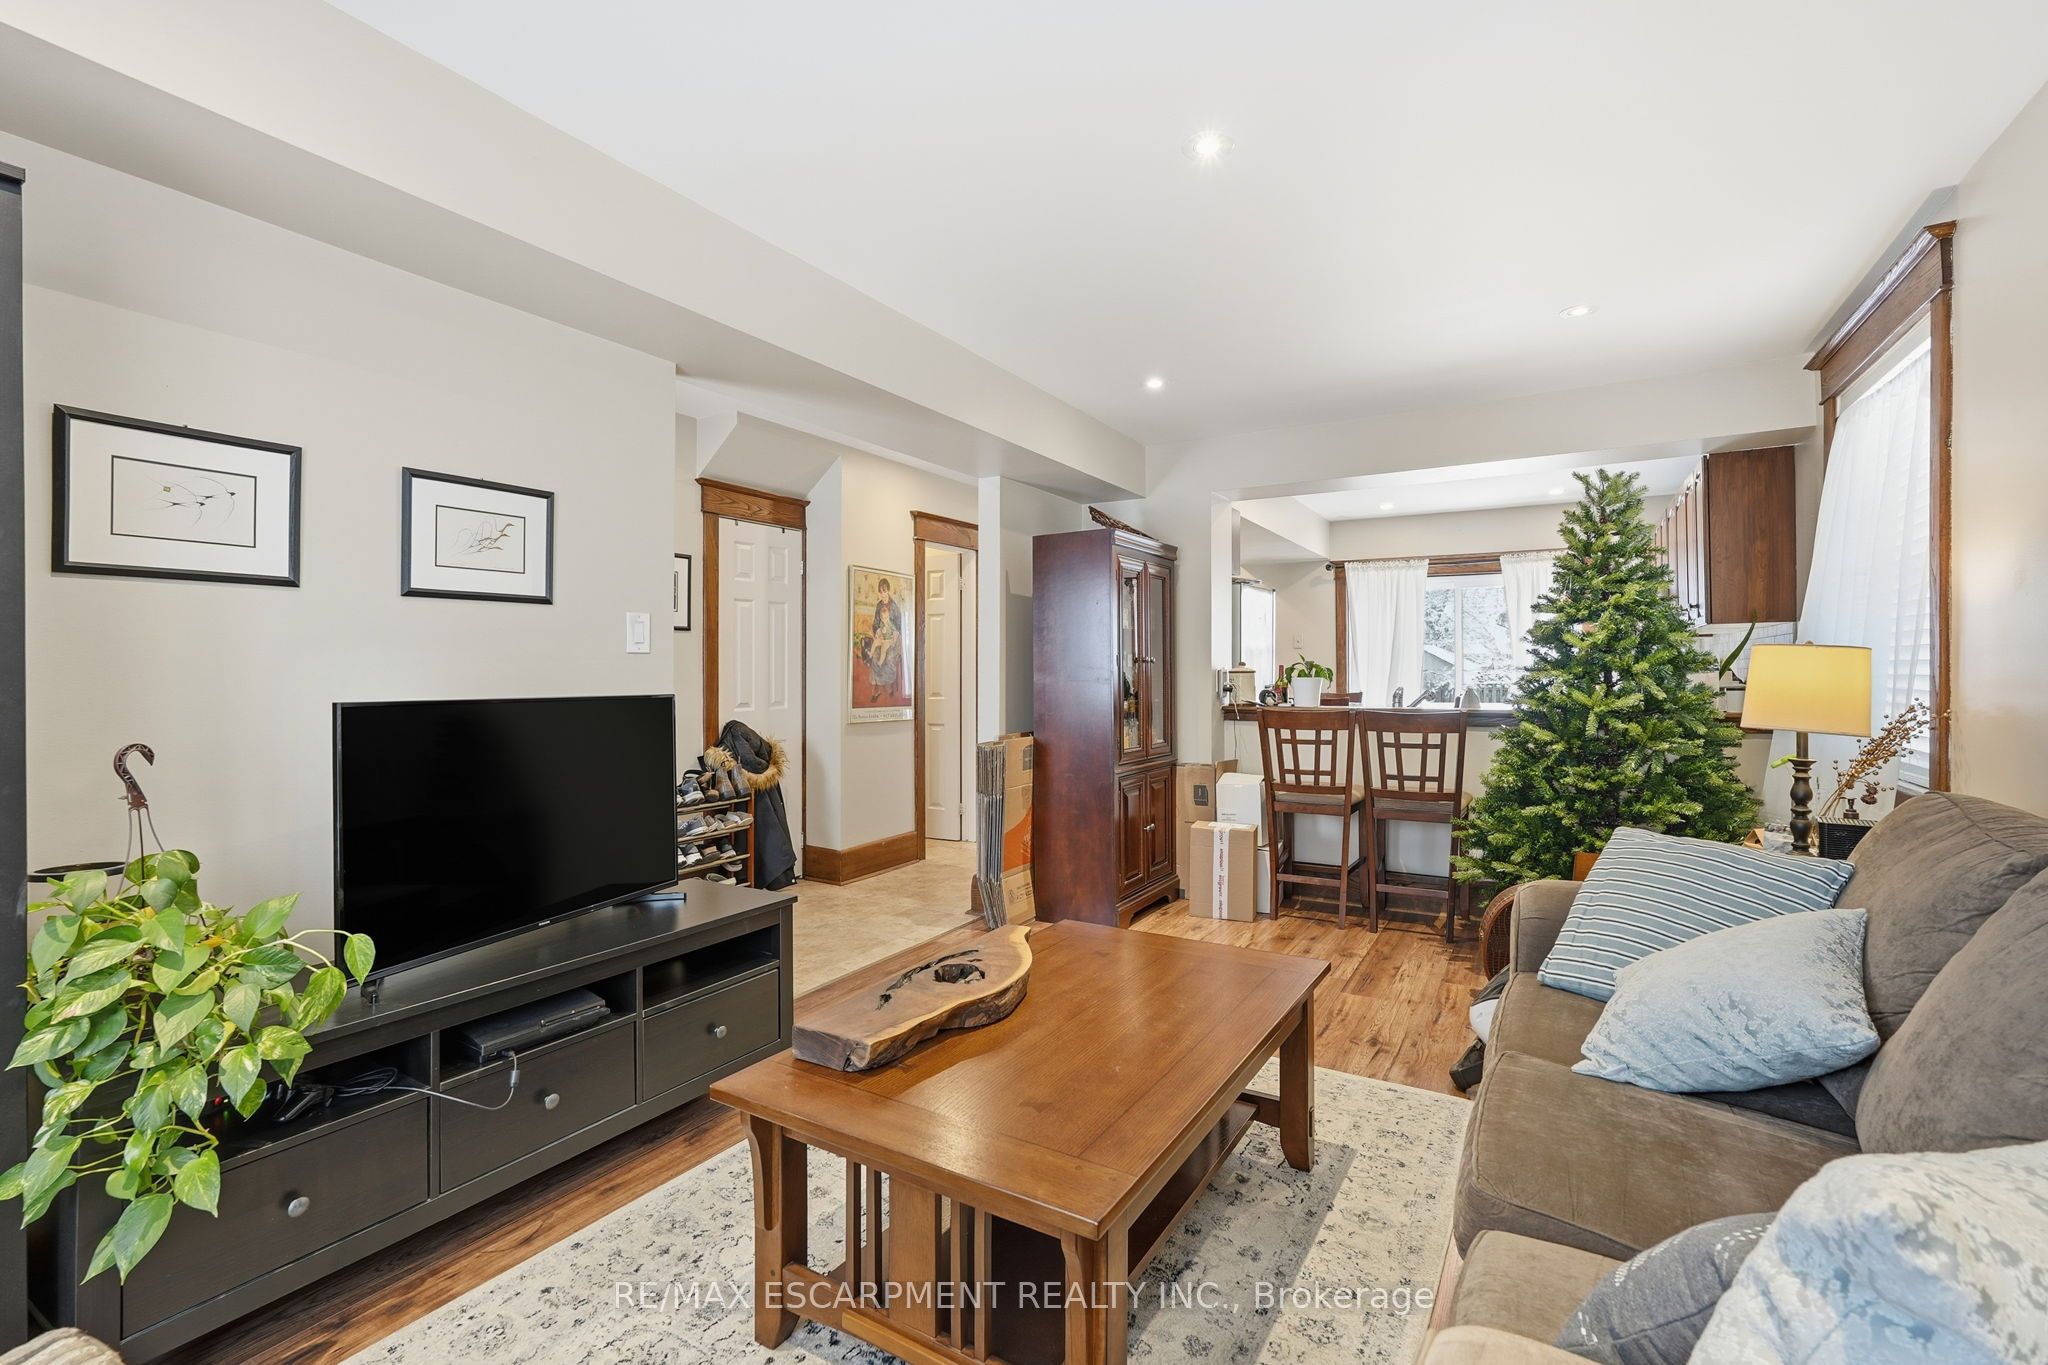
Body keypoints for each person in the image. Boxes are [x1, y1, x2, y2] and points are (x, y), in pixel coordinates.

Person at [864, 576, 902, 703]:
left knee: (889, 657)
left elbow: (899, 627)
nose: (883, 594)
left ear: (888, 591)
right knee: (875, 654)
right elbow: (875, 624)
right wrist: (877, 633)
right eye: (880, 592)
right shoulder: (878, 606)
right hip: (881, 637)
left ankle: (888, 685)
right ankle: (876, 687)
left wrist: (893, 636)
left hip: (892, 640)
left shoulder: (895, 607)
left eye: (884, 591)